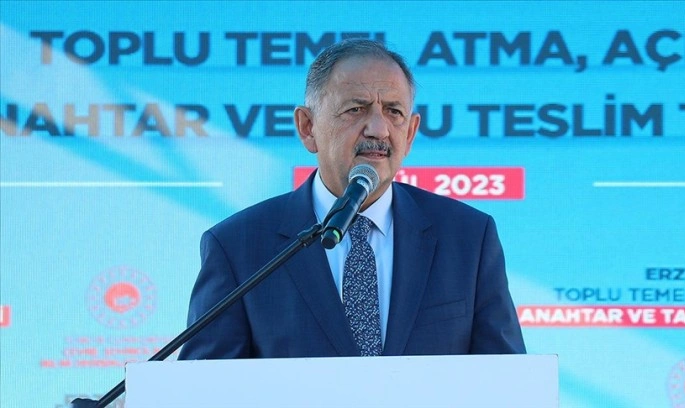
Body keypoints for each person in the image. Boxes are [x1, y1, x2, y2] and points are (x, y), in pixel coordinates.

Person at [177, 38, 526, 359]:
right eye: (356, 109)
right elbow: (203, 387)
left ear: (411, 133)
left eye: (394, 111)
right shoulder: (238, 246)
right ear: (307, 127)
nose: (379, 129)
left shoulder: (468, 238)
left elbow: (508, 382)